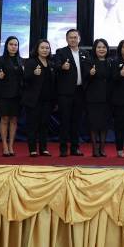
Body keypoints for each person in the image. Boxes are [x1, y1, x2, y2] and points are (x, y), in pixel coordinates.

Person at [54, 29, 88, 157]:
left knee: (76, 121)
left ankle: (75, 148)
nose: (73, 39)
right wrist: (62, 67)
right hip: (65, 93)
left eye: (75, 37)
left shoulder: (85, 53)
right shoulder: (61, 52)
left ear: (79, 39)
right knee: (65, 121)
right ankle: (63, 148)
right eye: (70, 37)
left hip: (80, 92)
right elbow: (55, 66)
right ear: (67, 39)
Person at [23, 39, 56, 157]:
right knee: (33, 125)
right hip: (33, 100)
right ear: (37, 49)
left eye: (47, 48)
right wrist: (33, 74)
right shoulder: (31, 62)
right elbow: (24, 79)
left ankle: (43, 149)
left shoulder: (51, 63)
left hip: (47, 100)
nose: (45, 50)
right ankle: (32, 149)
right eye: (42, 48)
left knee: (44, 125)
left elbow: (54, 83)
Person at [0, 37, 24, 156]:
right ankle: (4, 145)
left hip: (17, 95)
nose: (13, 47)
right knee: (4, 119)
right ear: (6, 46)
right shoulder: (1, 60)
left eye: (15, 45)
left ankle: (11, 146)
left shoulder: (21, 60)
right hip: (4, 94)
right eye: (11, 44)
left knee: (14, 120)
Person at [86, 39, 111, 157]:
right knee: (94, 123)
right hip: (93, 98)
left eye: (104, 47)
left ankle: (102, 148)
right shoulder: (89, 62)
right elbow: (84, 80)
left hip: (107, 98)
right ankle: (95, 148)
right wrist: (90, 74)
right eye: (99, 47)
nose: (101, 49)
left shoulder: (110, 62)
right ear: (95, 49)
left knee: (104, 124)